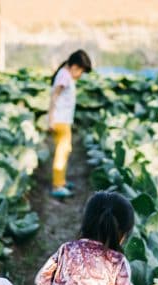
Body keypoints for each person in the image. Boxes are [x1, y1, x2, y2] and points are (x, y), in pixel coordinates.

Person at [47, 50, 92, 199]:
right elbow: (54, 96)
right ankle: (57, 185)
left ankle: (61, 181)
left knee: (64, 151)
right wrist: (51, 119)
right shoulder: (64, 76)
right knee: (62, 152)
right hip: (60, 120)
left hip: (63, 120)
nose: (80, 75)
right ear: (74, 66)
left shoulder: (64, 75)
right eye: (80, 71)